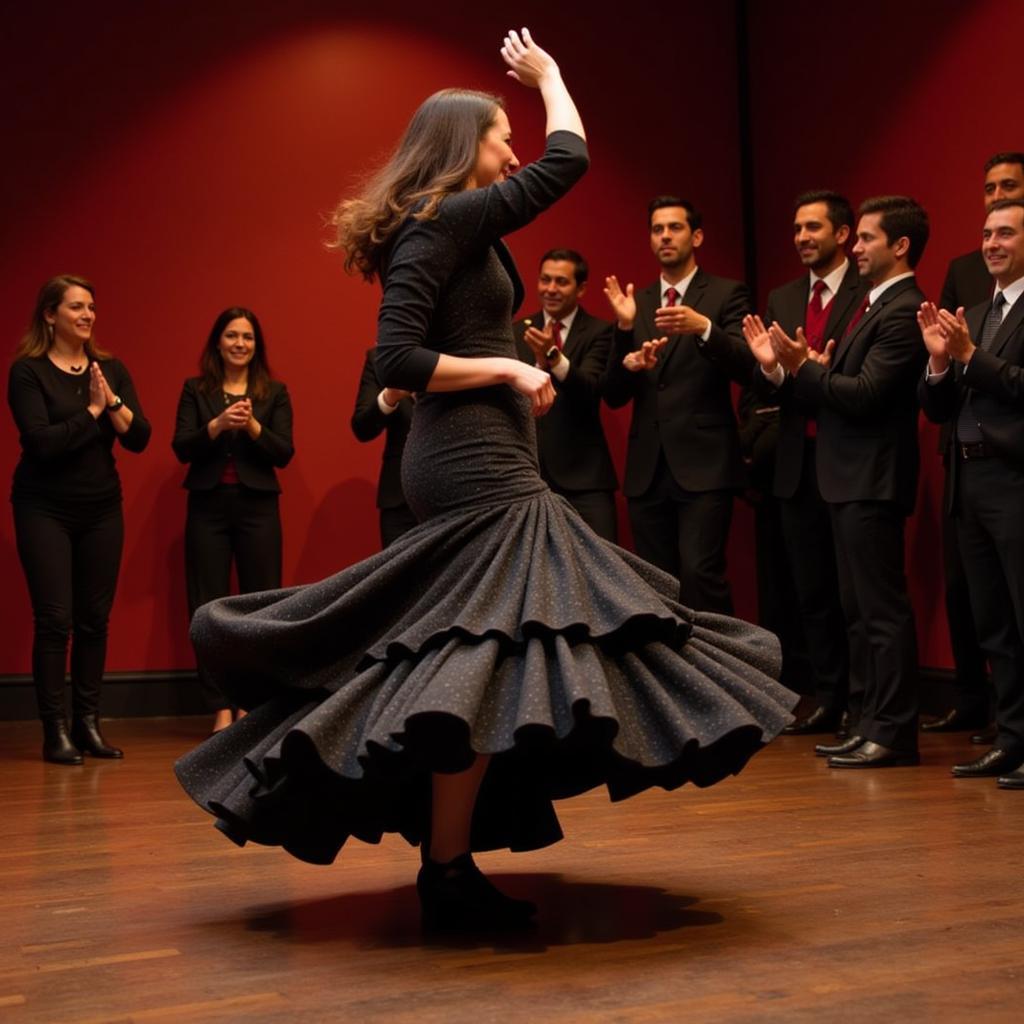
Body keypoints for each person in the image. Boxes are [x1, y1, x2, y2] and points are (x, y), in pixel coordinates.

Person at [174, 29, 795, 932]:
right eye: (502, 136)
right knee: (490, 641)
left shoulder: (450, 225)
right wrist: (550, 76)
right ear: (467, 147)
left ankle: (450, 861)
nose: (514, 150)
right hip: (471, 463)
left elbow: (430, 345)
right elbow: (405, 347)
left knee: (485, 650)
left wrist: (510, 374)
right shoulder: (448, 217)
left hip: (488, 451)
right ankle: (448, 864)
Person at [746, 197, 929, 769]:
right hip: (846, 477)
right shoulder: (874, 304)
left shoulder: (903, 308)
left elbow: (867, 395)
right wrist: (791, 368)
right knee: (856, 612)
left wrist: (806, 368)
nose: (856, 248)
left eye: (867, 239)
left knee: (880, 611)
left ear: (899, 247)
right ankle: (868, 720)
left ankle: (895, 731)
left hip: (871, 477)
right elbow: (834, 386)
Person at [8, 274, 151, 764]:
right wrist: (92, 411)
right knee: (55, 620)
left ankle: (87, 724)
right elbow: (41, 444)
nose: (88, 315)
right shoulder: (27, 373)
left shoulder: (108, 369)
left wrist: (109, 400)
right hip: (43, 506)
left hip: (101, 508)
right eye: (76, 307)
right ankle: (55, 731)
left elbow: (140, 437)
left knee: (94, 620)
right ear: (50, 315)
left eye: (91, 306)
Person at [752, 191, 868, 736]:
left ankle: (866, 704)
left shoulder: (869, 292)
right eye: (797, 228)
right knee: (814, 591)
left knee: (857, 593)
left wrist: (813, 369)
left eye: (813, 228)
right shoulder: (783, 296)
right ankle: (829, 697)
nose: (801, 237)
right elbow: (773, 383)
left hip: (850, 457)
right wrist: (777, 371)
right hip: (798, 459)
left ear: (843, 234)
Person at [603, 197, 754, 613]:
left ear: (697, 236)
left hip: (705, 464)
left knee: (700, 574)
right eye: (657, 229)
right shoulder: (637, 302)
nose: (665, 236)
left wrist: (703, 327)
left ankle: (721, 671)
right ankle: (669, 676)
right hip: (648, 469)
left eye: (674, 227)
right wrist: (626, 337)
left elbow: (749, 368)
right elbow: (613, 394)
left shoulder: (725, 293)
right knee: (656, 583)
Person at [918, 198, 1024, 785]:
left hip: (1014, 481)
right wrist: (938, 364)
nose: (991, 243)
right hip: (969, 480)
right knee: (995, 624)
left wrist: (969, 357)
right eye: (986, 233)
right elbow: (938, 407)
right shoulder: (978, 311)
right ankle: (1011, 740)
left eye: (1005, 233)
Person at [172, 308, 294, 734]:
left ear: (256, 345)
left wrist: (254, 427)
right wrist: (217, 425)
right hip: (207, 507)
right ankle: (219, 705)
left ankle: (251, 703)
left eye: (247, 337)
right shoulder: (196, 389)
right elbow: (181, 447)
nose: (240, 343)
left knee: (261, 606)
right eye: (231, 336)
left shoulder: (273, 391)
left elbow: (284, 452)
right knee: (206, 606)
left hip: (258, 508)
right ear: (217, 343)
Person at [513, 248, 618, 541]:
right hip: (529, 477)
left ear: (581, 288)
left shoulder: (599, 332)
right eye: (545, 280)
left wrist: (552, 356)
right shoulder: (517, 331)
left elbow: (591, 391)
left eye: (561, 282)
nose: (550, 289)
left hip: (585, 478)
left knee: (603, 573)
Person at [350, 347, 417, 547]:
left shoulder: (457, 350)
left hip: (454, 494)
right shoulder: (382, 358)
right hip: (399, 499)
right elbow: (362, 428)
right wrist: (389, 397)